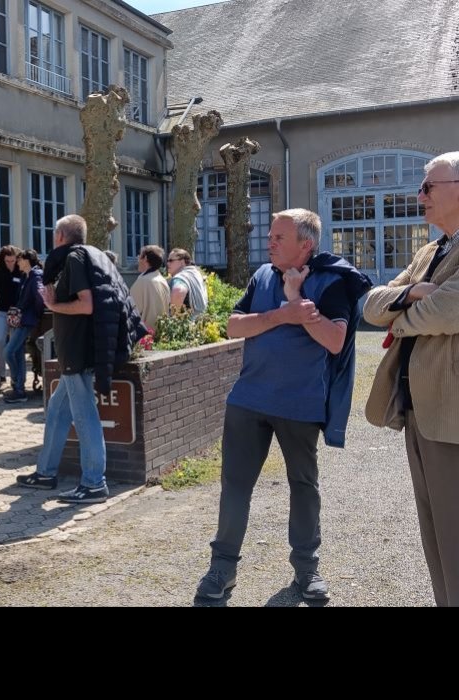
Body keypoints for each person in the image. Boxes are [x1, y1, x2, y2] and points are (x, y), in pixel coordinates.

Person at [196, 209, 370, 602]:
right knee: (235, 487)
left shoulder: (332, 281)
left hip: (300, 404)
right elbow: (234, 325)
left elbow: (335, 341)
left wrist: (298, 302)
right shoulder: (261, 276)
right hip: (247, 400)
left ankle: (307, 572)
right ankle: (221, 570)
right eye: (270, 236)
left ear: (305, 245)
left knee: (303, 487)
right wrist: (282, 314)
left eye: (278, 238)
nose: (269, 242)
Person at [364, 152, 459, 606]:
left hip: (453, 411)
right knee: (434, 531)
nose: (419, 195)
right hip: (419, 409)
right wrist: (410, 293)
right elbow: (370, 303)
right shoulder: (429, 251)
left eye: (428, 187)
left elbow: (448, 309)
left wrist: (399, 320)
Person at [15, 215, 144, 504]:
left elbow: (86, 305)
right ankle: (46, 472)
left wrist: (52, 304)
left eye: (53, 234)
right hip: (83, 349)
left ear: (60, 236)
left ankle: (94, 483)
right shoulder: (93, 255)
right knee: (58, 413)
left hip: (78, 351)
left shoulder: (73, 259)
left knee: (85, 417)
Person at [3, 249, 44, 404]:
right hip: (21, 319)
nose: (17, 262)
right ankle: (19, 389)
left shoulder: (35, 275)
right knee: (17, 352)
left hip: (26, 320)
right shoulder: (26, 276)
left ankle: (16, 383)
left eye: (19, 260)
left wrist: (36, 315)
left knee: (8, 352)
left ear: (26, 261)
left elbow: (40, 297)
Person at [0, 245, 22, 390]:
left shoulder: (20, 270)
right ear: (3, 259)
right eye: (7, 261)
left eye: (12, 260)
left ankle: (15, 376)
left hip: (16, 312)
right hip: (1, 311)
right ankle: (0, 374)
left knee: (14, 344)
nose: (10, 263)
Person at [129, 245, 170, 333]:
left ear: (145, 258)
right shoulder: (162, 280)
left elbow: (130, 310)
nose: (137, 259)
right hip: (161, 333)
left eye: (139, 256)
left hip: (144, 336)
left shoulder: (143, 281)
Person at [166, 248, 208, 317]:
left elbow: (179, 290)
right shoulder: (195, 273)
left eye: (171, 260)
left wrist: (173, 317)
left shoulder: (181, 277)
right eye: (167, 261)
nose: (168, 263)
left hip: (185, 324)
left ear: (182, 262)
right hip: (199, 322)